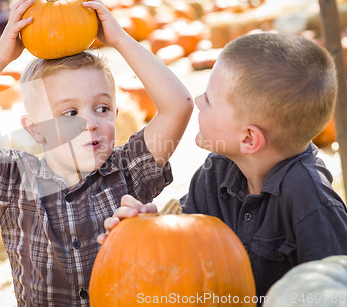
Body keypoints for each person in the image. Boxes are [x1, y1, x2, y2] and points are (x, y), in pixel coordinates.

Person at [0, 0, 193, 306]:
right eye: (70, 113)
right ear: (35, 130)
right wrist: (1, 57)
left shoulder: (128, 172)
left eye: (102, 108)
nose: (90, 123)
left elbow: (179, 105)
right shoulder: (14, 181)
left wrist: (120, 40)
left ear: (117, 115)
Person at [99, 32, 347, 304]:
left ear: (248, 139)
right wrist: (146, 228)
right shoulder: (217, 171)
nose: (198, 100)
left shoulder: (312, 203)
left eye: (209, 98)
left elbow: (331, 289)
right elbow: (186, 243)